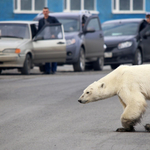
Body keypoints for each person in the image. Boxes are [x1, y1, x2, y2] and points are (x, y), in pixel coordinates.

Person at [38, 7, 59, 74]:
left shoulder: (52, 19)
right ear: (42, 12)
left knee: (54, 55)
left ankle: (53, 70)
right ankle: (47, 70)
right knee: (46, 55)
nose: (45, 12)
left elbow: (59, 26)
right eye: (44, 11)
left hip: (52, 39)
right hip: (44, 40)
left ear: (49, 12)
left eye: (46, 11)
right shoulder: (41, 21)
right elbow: (39, 30)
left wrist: (54, 34)